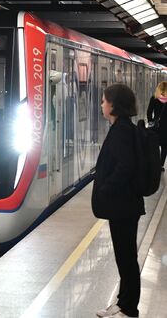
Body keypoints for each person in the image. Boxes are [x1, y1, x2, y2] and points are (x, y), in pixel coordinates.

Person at [93, 84, 144, 318]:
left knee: (126, 259)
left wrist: (106, 188)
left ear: (113, 105)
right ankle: (123, 303)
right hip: (124, 205)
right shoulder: (122, 127)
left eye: (104, 101)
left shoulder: (122, 130)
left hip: (122, 205)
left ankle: (129, 309)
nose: (102, 105)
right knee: (124, 257)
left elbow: (126, 165)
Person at [146, 81, 167, 171]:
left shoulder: (154, 98)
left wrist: (151, 122)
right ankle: (161, 165)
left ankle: (155, 163)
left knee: (155, 144)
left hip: (156, 125)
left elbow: (149, 112)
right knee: (165, 146)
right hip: (166, 126)